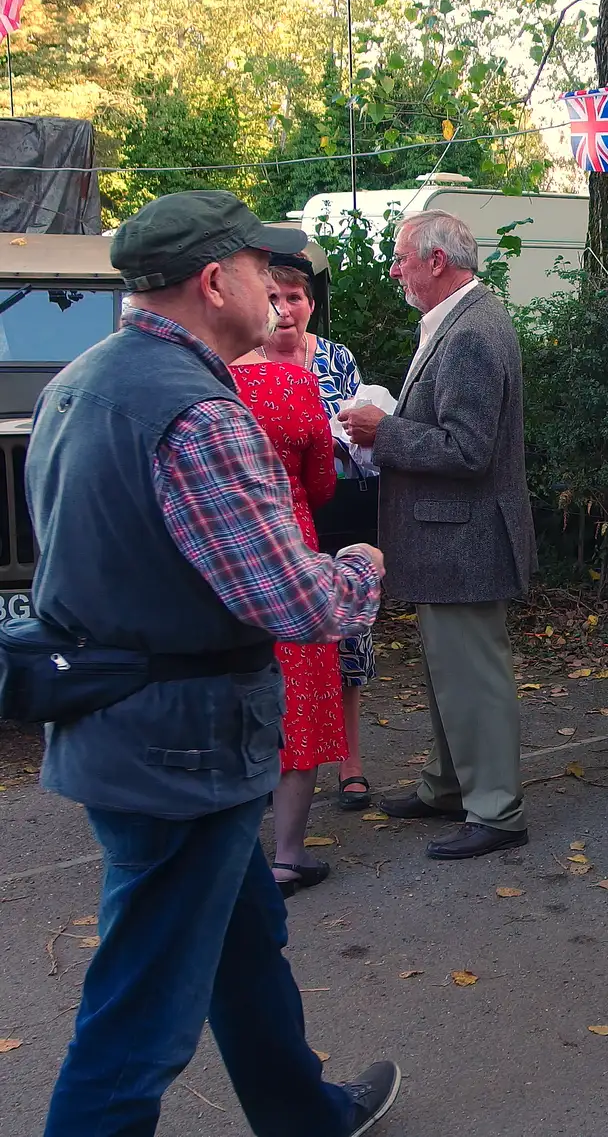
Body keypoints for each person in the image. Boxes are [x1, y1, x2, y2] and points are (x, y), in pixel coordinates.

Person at [28, 190, 401, 1136]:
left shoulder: (76, 381)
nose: (278, 289)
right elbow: (295, 602)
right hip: (182, 749)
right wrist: (359, 565)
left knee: (244, 941)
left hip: (127, 730)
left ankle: (304, 1113)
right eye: (259, 270)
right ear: (213, 280)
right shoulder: (198, 413)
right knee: (140, 1017)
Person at [341, 209, 537, 861]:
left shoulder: (472, 330)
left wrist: (382, 430)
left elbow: (469, 449)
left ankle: (496, 809)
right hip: (452, 539)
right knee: (448, 673)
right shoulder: (464, 318)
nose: (394, 269)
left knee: (473, 677)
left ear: (436, 261)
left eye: (401, 258)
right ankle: (450, 786)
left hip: (466, 539)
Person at [232, 301, 345, 895]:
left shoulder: (203, 383)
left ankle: (230, 849)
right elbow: (323, 481)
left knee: (231, 688)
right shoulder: (295, 383)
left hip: (220, 557)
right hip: (290, 550)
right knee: (297, 695)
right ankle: (287, 854)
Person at [262, 253, 376, 812]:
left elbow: (358, 440)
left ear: (311, 304)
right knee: (272, 651)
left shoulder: (336, 360)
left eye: (294, 298)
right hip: (269, 525)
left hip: (333, 514)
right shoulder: (237, 362)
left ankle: (350, 762)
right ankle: (270, 763)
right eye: (273, 299)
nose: (284, 310)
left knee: (345, 642)